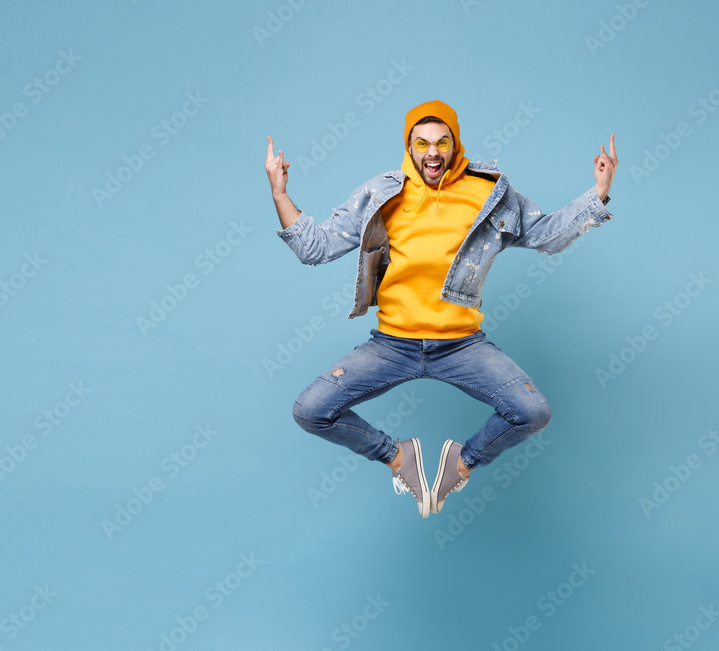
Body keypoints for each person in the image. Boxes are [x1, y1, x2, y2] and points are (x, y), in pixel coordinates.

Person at [265, 100, 618, 518]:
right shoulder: (382, 194)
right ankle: (400, 459)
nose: (432, 151)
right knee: (311, 410)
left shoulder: (489, 192)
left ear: (454, 144)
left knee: (532, 411)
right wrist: (279, 192)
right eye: (422, 142)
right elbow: (316, 247)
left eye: (441, 142)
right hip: (392, 345)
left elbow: (546, 235)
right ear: (409, 146)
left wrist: (598, 192)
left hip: (462, 347)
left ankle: (460, 464)